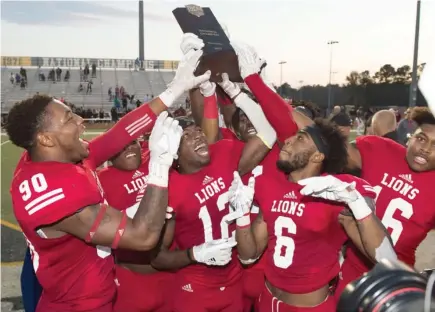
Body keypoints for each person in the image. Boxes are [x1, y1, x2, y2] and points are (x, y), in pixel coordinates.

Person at [7, 48, 210, 311]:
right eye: (69, 118)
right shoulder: (55, 194)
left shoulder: (51, 159)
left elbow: (119, 135)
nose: (81, 120)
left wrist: (174, 89)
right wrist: (160, 164)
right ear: (46, 139)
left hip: (92, 295)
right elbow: (143, 237)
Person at [229, 119, 394, 312]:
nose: (289, 140)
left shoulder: (335, 191)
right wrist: (241, 216)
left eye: (301, 138)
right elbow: (248, 256)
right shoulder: (270, 185)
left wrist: (357, 203)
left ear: (317, 156)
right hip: (266, 300)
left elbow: (385, 257)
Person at [150, 73, 278, 311]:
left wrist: (236, 93)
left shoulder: (224, 154)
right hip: (194, 287)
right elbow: (158, 258)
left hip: (234, 281)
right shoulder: (168, 188)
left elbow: (268, 133)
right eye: (186, 137)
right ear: (173, 154)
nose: (197, 136)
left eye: (197, 131)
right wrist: (194, 254)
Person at [339, 107, 435, 297]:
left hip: (394, 285)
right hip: (350, 274)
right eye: (421, 138)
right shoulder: (380, 149)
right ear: (410, 137)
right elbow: (328, 148)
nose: (425, 149)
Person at [97, 140, 173, 312]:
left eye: (133, 143)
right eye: (119, 145)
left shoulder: (155, 159)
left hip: (171, 271)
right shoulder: (100, 180)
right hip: (131, 279)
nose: (128, 147)